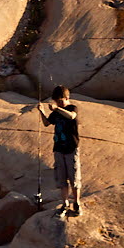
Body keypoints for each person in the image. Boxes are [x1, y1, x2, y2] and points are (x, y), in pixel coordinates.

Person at [35, 85, 81, 216]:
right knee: (61, 178)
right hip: (59, 149)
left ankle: (76, 203)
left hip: (71, 148)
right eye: (56, 101)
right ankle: (65, 203)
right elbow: (47, 123)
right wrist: (42, 111)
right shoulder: (56, 112)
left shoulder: (72, 108)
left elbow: (72, 116)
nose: (58, 103)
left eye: (60, 101)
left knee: (74, 177)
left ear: (67, 98)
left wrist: (57, 108)